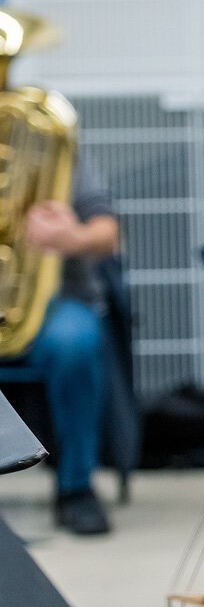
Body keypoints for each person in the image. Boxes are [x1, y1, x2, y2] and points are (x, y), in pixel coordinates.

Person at [1, 159, 121, 535]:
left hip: (52, 301)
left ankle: (76, 487)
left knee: (76, 342)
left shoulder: (49, 136)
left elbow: (108, 235)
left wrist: (71, 237)